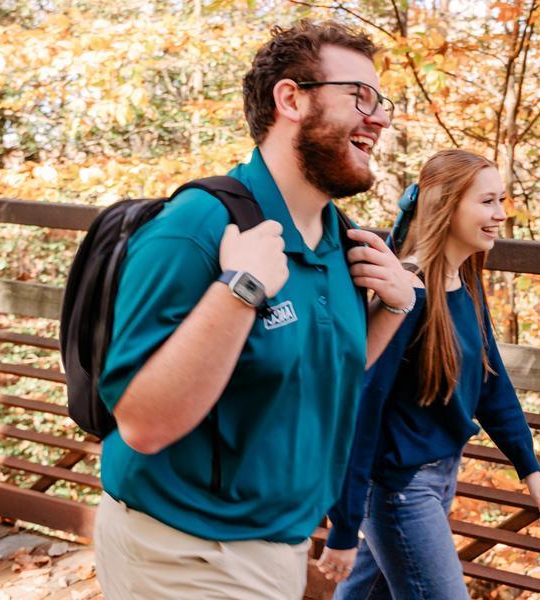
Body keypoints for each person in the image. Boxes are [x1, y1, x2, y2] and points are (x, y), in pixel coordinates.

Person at [91, 20, 415, 599]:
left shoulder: (341, 241)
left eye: (382, 101)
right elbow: (141, 424)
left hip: (278, 546)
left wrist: (392, 308)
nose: (381, 117)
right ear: (291, 98)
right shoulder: (197, 227)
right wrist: (240, 289)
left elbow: (317, 367)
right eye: (360, 96)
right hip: (182, 550)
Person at [317, 150, 540, 597]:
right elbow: (360, 407)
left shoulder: (464, 281)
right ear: (446, 205)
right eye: (487, 202)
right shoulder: (405, 294)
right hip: (398, 491)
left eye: (501, 200)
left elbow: (490, 382)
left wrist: (530, 468)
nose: (501, 214)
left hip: (437, 477)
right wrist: (345, 523)